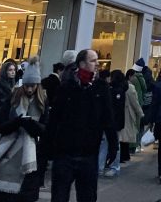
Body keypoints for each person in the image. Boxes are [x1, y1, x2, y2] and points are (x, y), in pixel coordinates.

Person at [47, 48, 116, 202]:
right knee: (59, 196)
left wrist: (113, 145)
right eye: (93, 61)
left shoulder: (100, 87)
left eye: (97, 60)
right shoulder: (67, 87)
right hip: (65, 154)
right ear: (81, 63)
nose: (97, 64)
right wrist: (47, 149)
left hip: (88, 155)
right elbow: (54, 119)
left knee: (87, 196)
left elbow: (108, 118)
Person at [0, 58, 48, 202]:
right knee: (2, 196)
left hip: (32, 159)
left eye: (33, 86)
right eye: (27, 85)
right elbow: (0, 125)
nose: (29, 89)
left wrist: (30, 125)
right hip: (8, 154)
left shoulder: (43, 103)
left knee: (24, 195)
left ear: (37, 85)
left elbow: (47, 130)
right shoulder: (13, 99)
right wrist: (17, 122)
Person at [98, 70, 126, 178]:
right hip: (114, 123)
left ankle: (109, 166)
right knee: (110, 144)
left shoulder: (114, 90)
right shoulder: (118, 90)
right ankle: (106, 166)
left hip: (112, 123)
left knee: (106, 144)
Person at [118, 70, 142, 165]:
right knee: (125, 136)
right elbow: (135, 103)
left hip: (121, 113)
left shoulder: (119, 86)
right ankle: (124, 155)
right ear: (130, 76)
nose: (135, 78)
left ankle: (124, 155)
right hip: (128, 114)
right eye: (134, 76)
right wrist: (140, 113)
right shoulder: (131, 87)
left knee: (122, 135)